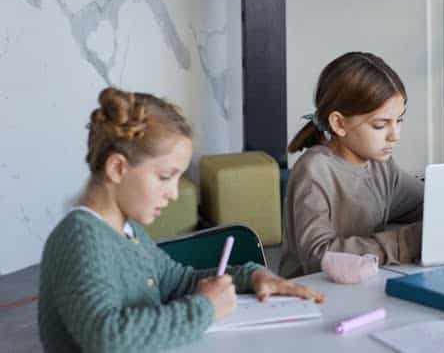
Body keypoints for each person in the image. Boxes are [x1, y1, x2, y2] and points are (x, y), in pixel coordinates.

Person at [39, 87, 322, 353]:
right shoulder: (80, 240)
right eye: (165, 177)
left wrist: (252, 275)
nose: (173, 193)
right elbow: (108, 337)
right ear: (117, 168)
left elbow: (176, 281)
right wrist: (205, 308)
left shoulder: (127, 230)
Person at [279, 52, 423, 277]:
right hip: (312, 297)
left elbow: (431, 204)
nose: (395, 135)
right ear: (338, 123)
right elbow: (319, 258)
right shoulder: (314, 171)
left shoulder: (381, 167)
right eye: (380, 125)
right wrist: (405, 243)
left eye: (399, 120)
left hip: (362, 292)